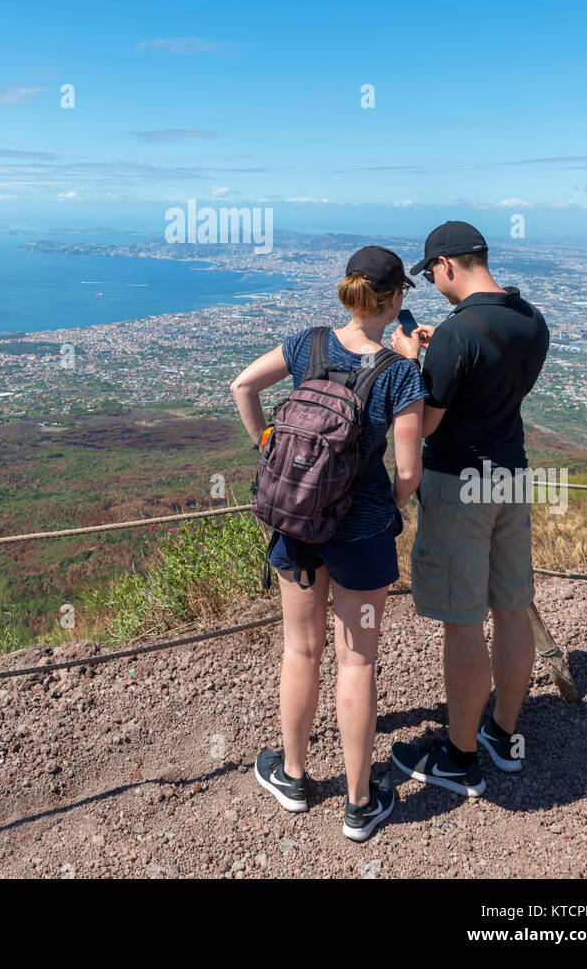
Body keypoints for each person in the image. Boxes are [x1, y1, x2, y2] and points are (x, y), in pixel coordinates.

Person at [230, 246, 426, 841]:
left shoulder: (308, 344)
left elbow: (242, 385)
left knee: (301, 650)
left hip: (297, 525)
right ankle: (360, 803)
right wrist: (386, 506)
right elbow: (410, 473)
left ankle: (292, 777)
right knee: (357, 659)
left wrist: (270, 449)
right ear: (394, 301)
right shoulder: (399, 374)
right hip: (361, 538)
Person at [388, 221, 550, 798]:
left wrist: (413, 360)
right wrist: (442, 353)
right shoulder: (531, 319)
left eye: (429, 272)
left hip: (460, 483)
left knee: (463, 620)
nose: (431, 282)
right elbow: (495, 386)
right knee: (511, 606)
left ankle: (458, 759)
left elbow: (427, 420)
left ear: (448, 265)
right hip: (511, 475)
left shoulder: (457, 335)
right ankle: (503, 734)